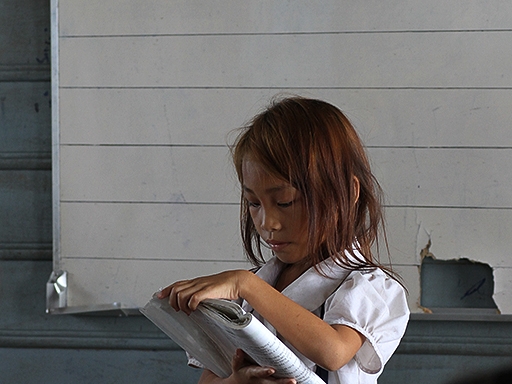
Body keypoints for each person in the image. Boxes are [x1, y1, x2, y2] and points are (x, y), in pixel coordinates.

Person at [158, 96, 410, 383]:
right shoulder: (249, 291)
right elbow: (211, 377)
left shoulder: (369, 286)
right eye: (253, 203)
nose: (268, 223)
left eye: (285, 202)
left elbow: (333, 351)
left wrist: (247, 284)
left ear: (348, 194)